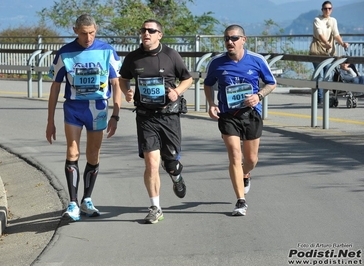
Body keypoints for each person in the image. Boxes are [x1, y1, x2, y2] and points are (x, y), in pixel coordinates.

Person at [46, 14, 122, 222]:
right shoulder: (65, 52)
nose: (88, 37)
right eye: (83, 33)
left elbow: (116, 84)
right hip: (74, 108)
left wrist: (115, 115)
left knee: (93, 154)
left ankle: (86, 200)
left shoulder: (107, 50)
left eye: (91, 33)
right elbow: (54, 88)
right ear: (75, 31)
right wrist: (50, 121)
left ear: (96, 30)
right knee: (73, 150)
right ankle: (72, 203)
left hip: (98, 108)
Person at [119, 19, 192, 224]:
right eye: (143, 30)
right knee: (151, 164)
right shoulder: (133, 58)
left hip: (169, 115)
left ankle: (176, 175)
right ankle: (155, 207)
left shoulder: (170, 55)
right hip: (145, 116)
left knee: (170, 161)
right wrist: (127, 91)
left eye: (151, 31)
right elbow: (123, 79)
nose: (146, 33)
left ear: (160, 34)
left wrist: (177, 91)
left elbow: (187, 78)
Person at [203, 24, 276, 216]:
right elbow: (208, 84)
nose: (230, 42)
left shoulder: (257, 60)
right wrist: (211, 104)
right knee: (235, 156)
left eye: (234, 38)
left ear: (244, 40)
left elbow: (272, 83)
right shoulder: (216, 63)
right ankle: (241, 201)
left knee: (251, 159)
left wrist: (258, 96)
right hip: (228, 115)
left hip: (251, 113)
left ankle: (246, 173)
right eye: (227, 38)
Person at [309, 1, 349, 104]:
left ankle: (324, 97)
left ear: (332, 9)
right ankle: (320, 98)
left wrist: (342, 43)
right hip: (317, 51)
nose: (327, 10)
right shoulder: (317, 20)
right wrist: (326, 43)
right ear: (322, 9)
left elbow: (336, 34)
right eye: (325, 8)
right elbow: (319, 34)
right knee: (320, 75)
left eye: (329, 8)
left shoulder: (333, 21)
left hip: (329, 52)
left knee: (327, 75)